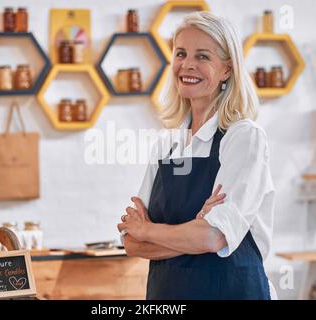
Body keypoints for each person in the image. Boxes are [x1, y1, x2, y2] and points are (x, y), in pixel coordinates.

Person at [117, 11, 276, 300]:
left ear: (227, 69)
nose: (187, 65)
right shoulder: (167, 145)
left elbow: (213, 237)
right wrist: (195, 227)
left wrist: (150, 229)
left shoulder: (243, 138)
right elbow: (131, 242)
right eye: (181, 54)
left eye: (202, 56)